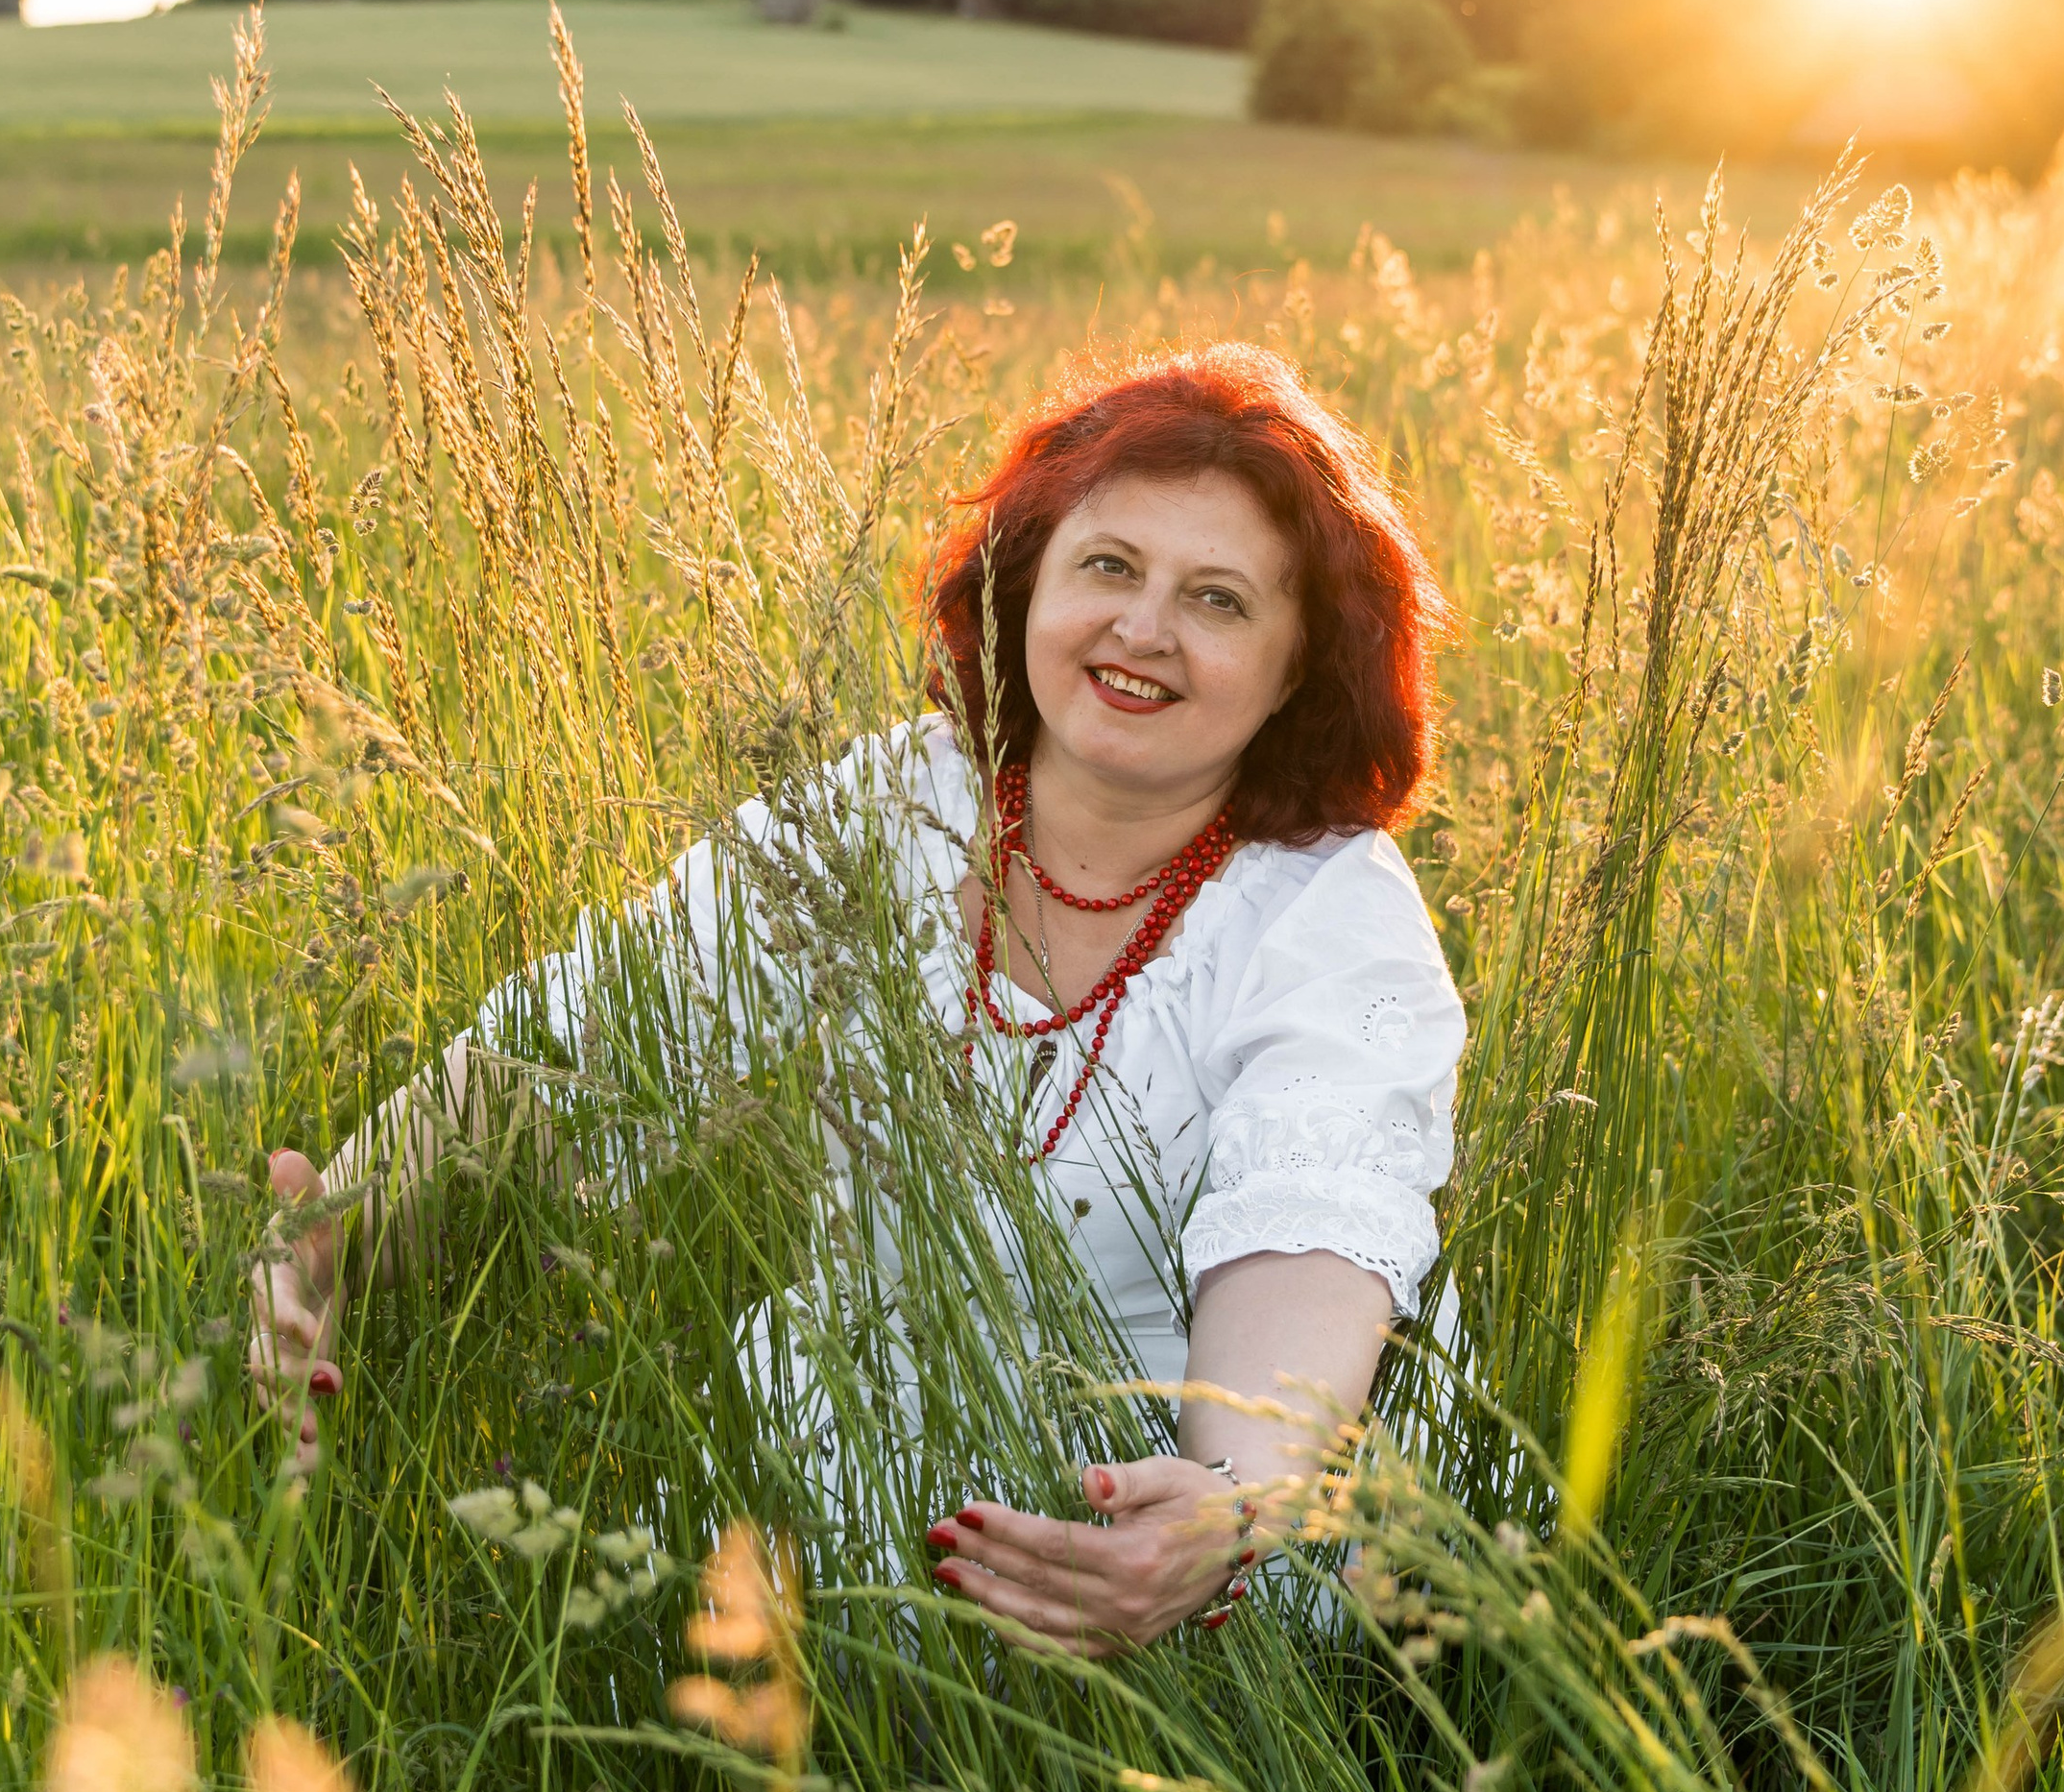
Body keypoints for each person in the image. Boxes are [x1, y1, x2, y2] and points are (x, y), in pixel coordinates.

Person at [254, 342, 1465, 1657]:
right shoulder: (900, 803)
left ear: (1299, 667)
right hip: (871, 1437)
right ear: (1024, 589)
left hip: (1198, 1510)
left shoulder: (1326, 907)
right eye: (1108, 568)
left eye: (1219, 600)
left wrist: (1225, 1507)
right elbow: (601, 1024)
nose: (1144, 630)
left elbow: (1310, 1240)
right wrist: (324, 1237)